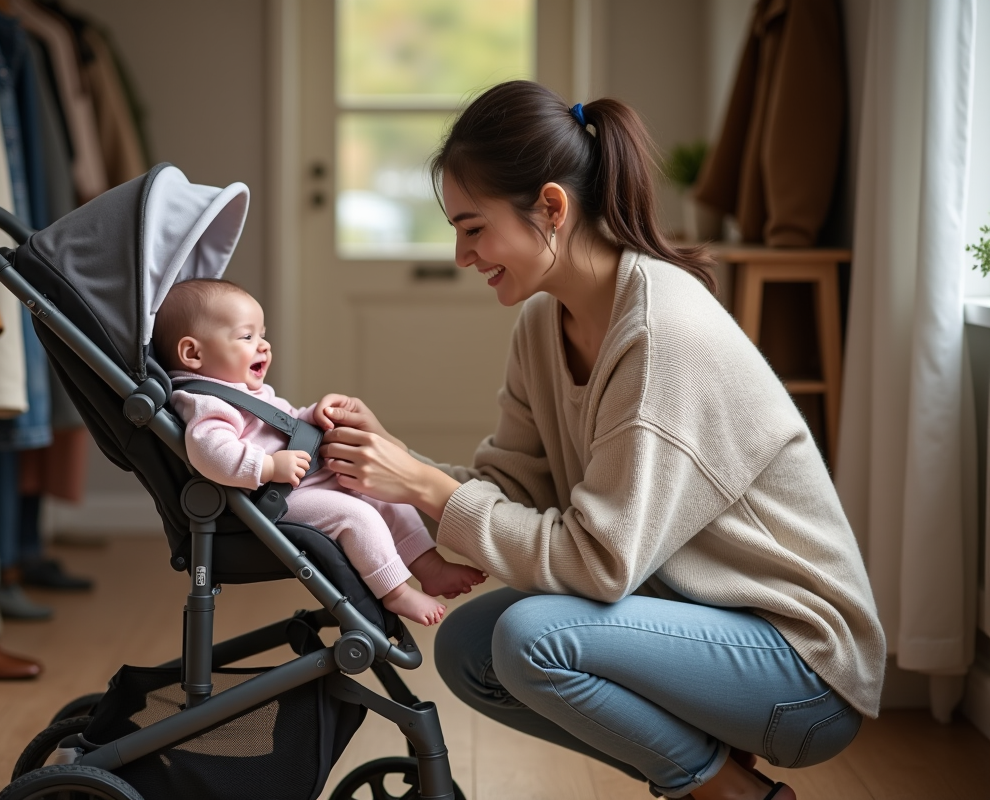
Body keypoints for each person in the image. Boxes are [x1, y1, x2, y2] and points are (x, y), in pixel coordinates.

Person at [316, 81, 885, 800]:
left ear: (551, 208)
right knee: (469, 649)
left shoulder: (659, 334)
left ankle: (727, 794)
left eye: (473, 227)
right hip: (696, 624)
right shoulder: (541, 325)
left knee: (531, 640)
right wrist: (389, 464)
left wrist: (424, 485)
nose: (463, 255)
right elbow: (514, 495)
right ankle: (714, 775)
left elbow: (601, 562)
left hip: (801, 667)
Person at [154, 278, 486, 625]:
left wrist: (312, 415)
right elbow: (209, 451)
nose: (264, 346)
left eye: (263, 335)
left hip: (303, 482)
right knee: (356, 516)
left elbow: (279, 423)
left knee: (383, 495)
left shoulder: (243, 391)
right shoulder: (205, 402)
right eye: (247, 336)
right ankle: (396, 592)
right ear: (193, 353)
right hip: (273, 500)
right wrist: (266, 466)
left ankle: (428, 565)